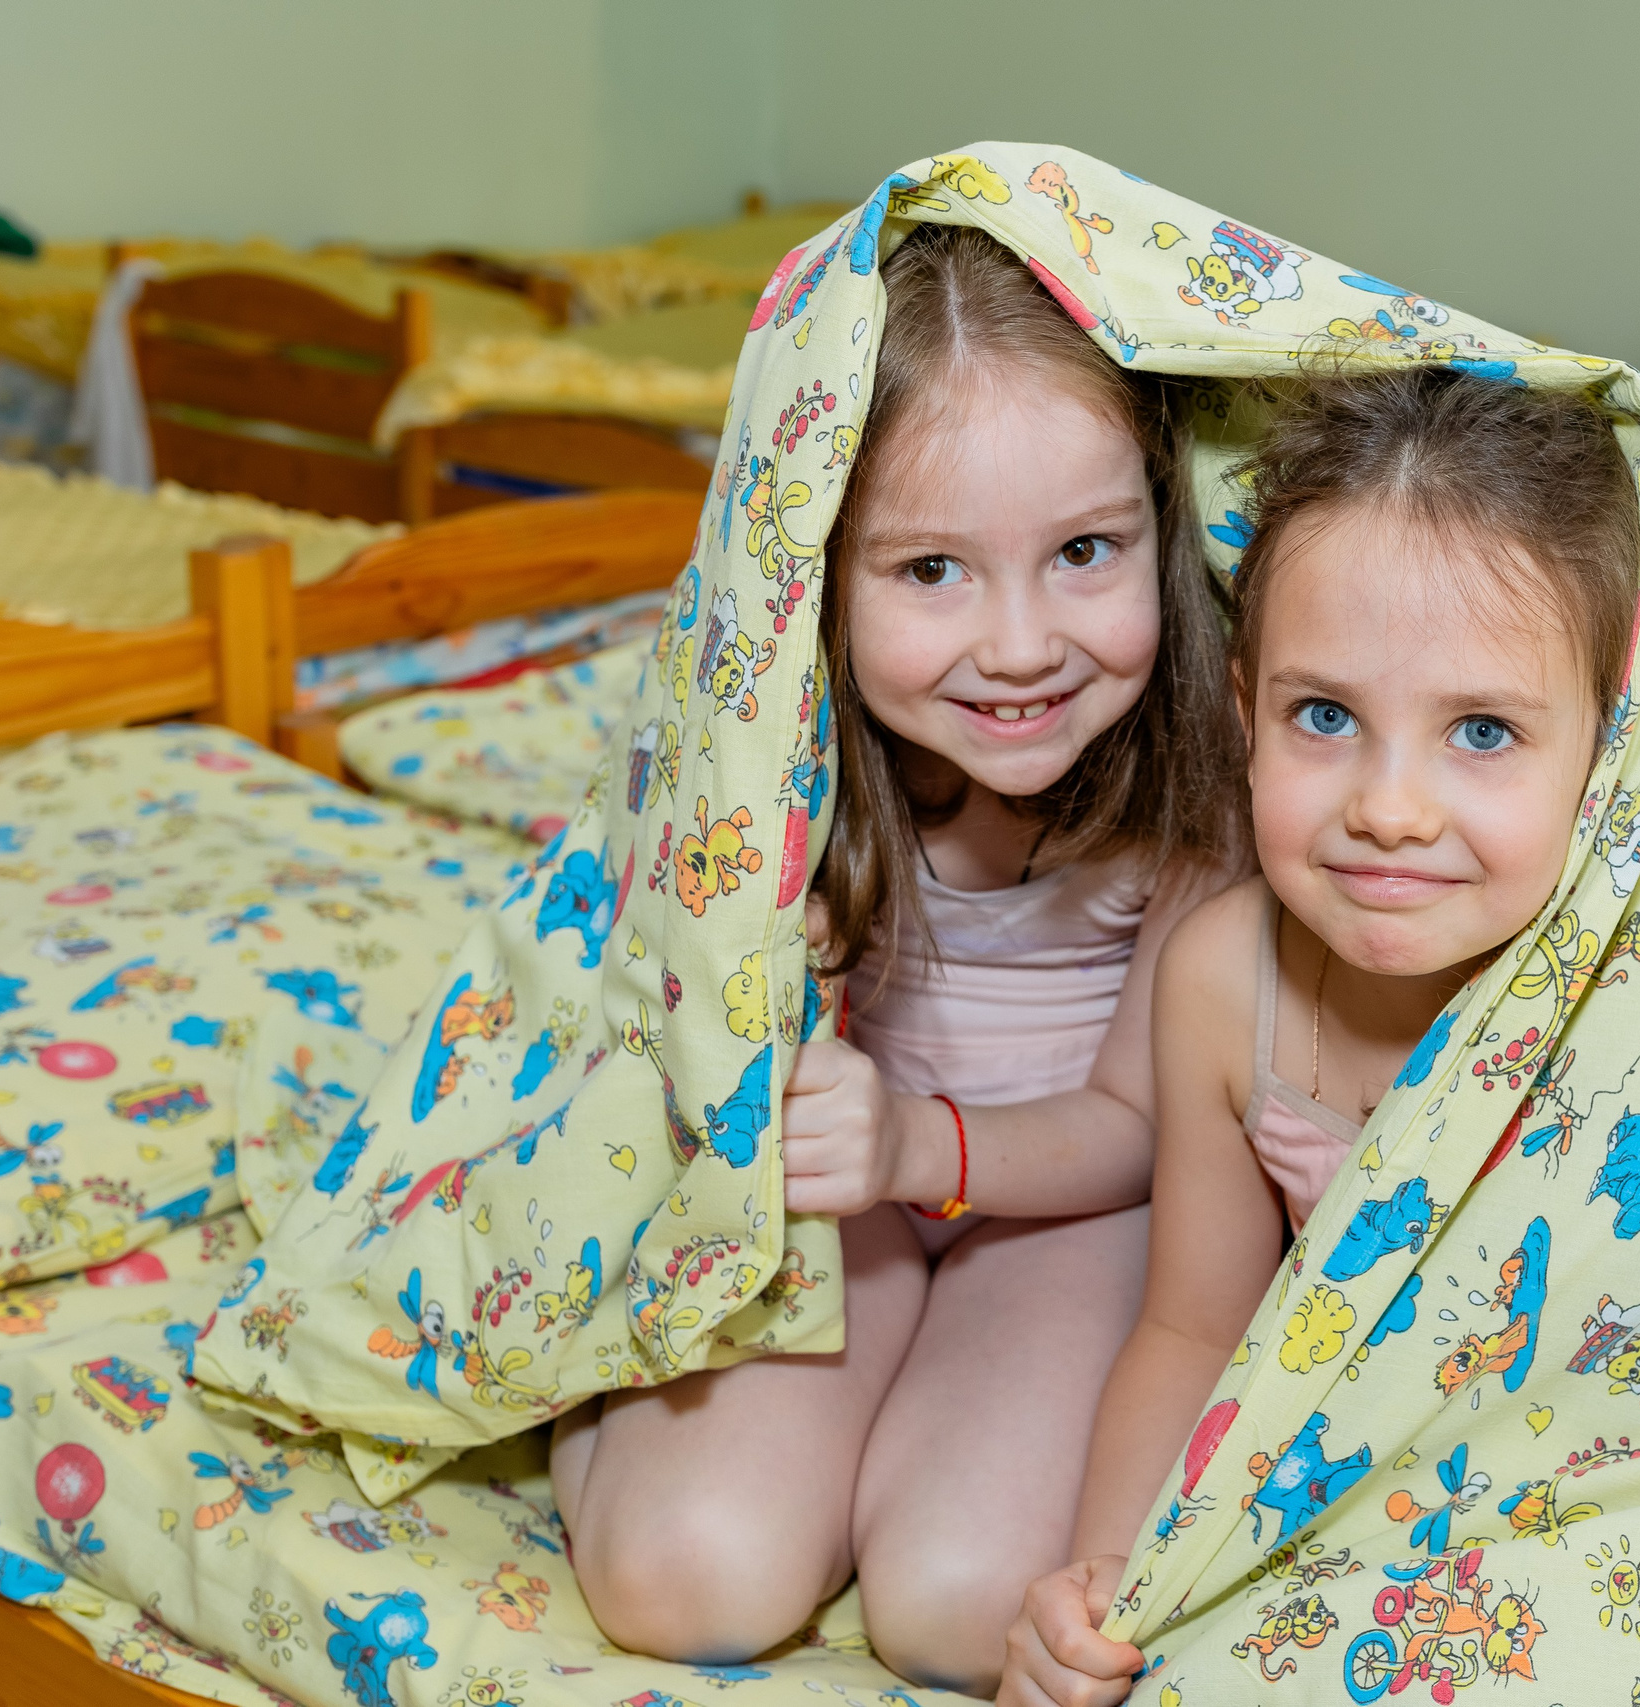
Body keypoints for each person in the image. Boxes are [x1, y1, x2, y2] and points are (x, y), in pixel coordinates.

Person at [551, 222, 1247, 1691]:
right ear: (818, 570)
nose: (1021, 646)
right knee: (686, 1582)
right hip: (829, 1193)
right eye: (933, 568)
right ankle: (595, 1400)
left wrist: (916, 1146)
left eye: (1084, 552)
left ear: (1161, 522)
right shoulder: (770, 748)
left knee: (957, 1610)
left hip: (1072, 1204)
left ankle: (913, 1403)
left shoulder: (1203, 771)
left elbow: (1141, 1128)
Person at [997, 365, 1640, 1707]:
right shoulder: (1224, 981)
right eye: (1326, 717)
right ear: (1245, 710)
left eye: (1482, 730)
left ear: (1611, 739)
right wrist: (1110, 1586)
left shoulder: (1639, 1008)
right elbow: (1194, 1329)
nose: (1390, 809)